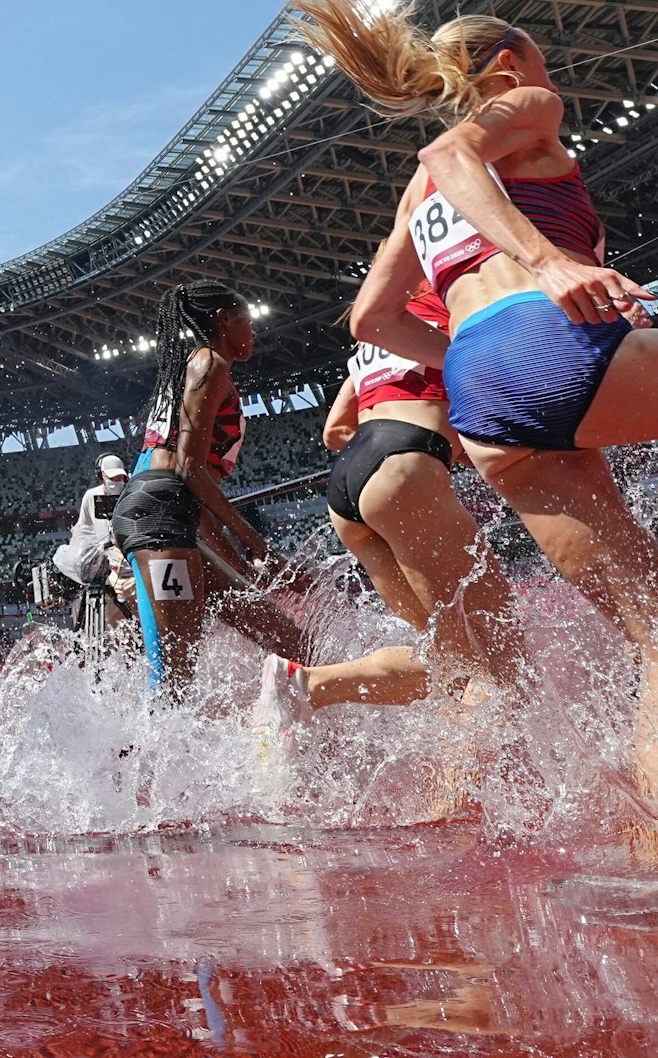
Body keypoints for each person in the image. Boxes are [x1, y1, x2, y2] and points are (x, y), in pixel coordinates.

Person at [294, 0, 658, 814]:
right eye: (540, 58)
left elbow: (372, 317)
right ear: (505, 66)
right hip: (542, 334)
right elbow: (446, 152)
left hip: (486, 393)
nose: (550, 74)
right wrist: (551, 263)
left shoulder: (415, 206)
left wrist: (476, 351)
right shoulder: (523, 106)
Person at [253, 244, 523, 741]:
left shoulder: (375, 338)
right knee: (503, 654)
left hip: (351, 483)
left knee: (448, 659)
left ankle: (306, 685)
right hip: (403, 466)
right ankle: (489, 797)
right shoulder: (452, 300)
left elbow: (336, 429)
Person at [110, 280, 312, 698]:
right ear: (223, 320)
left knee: (285, 638)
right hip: (158, 521)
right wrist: (259, 549)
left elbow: (192, 496)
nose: (253, 333)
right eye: (247, 322)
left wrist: (240, 563)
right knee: (175, 679)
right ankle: (134, 761)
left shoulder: (198, 367)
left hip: (173, 518)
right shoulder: (209, 363)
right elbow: (190, 470)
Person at [53, 452, 129, 586]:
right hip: (102, 556)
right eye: (112, 477)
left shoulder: (131, 494)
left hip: (126, 554)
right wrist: (73, 551)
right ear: (101, 475)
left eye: (119, 477)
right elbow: (82, 525)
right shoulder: (91, 495)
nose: (116, 480)